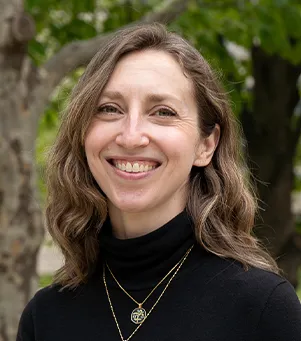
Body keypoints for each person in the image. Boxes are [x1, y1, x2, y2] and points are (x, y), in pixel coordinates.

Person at [17, 23, 301, 341]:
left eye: (162, 112)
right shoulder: (45, 317)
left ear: (206, 145)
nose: (131, 136)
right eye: (109, 109)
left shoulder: (263, 309)